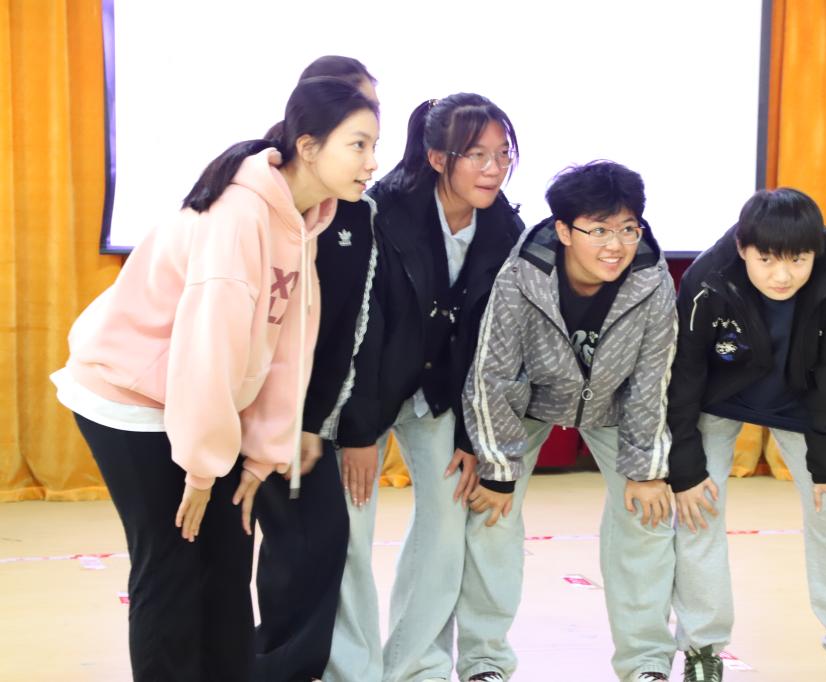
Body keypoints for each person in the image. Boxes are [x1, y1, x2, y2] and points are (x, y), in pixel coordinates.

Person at [51, 76, 379, 682]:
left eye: (373, 146)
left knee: (228, 562)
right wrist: (203, 470)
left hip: (194, 402)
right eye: (358, 145)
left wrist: (259, 457)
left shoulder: (304, 218)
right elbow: (208, 354)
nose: (372, 163)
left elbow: (286, 352)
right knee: (173, 565)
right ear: (309, 147)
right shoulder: (239, 216)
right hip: (129, 398)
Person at [322, 93, 524, 682]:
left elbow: (491, 342)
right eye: (477, 155)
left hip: (438, 394)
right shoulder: (379, 212)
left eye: (503, 155)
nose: (493, 169)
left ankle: (416, 667)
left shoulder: (505, 227)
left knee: (446, 524)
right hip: (368, 392)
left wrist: (470, 435)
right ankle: (352, 670)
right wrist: (358, 432)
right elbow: (360, 331)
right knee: (352, 530)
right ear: (438, 158)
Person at [457, 161, 679, 682]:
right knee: (491, 515)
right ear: (563, 230)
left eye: (628, 229)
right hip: (529, 402)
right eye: (598, 230)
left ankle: (646, 663)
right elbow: (491, 373)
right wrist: (498, 471)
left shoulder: (652, 281)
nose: (615, 245)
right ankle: (484, 662)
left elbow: (653, 379)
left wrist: (647, 470)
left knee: (647, 515)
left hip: (614, 405)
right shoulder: (520, 276)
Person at [665, 188, 826, 682]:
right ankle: (702, 648)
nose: (782, 276)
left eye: (797, 261)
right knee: (697, 510)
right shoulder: (706, 278)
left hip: (803, 399)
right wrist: (686, 469)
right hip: (719, 395)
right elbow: (683, 376)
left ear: (815, 252)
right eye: (766, 260)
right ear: (743, 248)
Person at [251, 56, 381, 682]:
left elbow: (344, 328)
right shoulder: (254, 197)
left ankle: (285, 666)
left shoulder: (355, 211)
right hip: (233, 407)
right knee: (216, 557)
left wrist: (312, 422)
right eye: (357, 138)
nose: (370, 157)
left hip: (300, 413)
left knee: (316, 541)